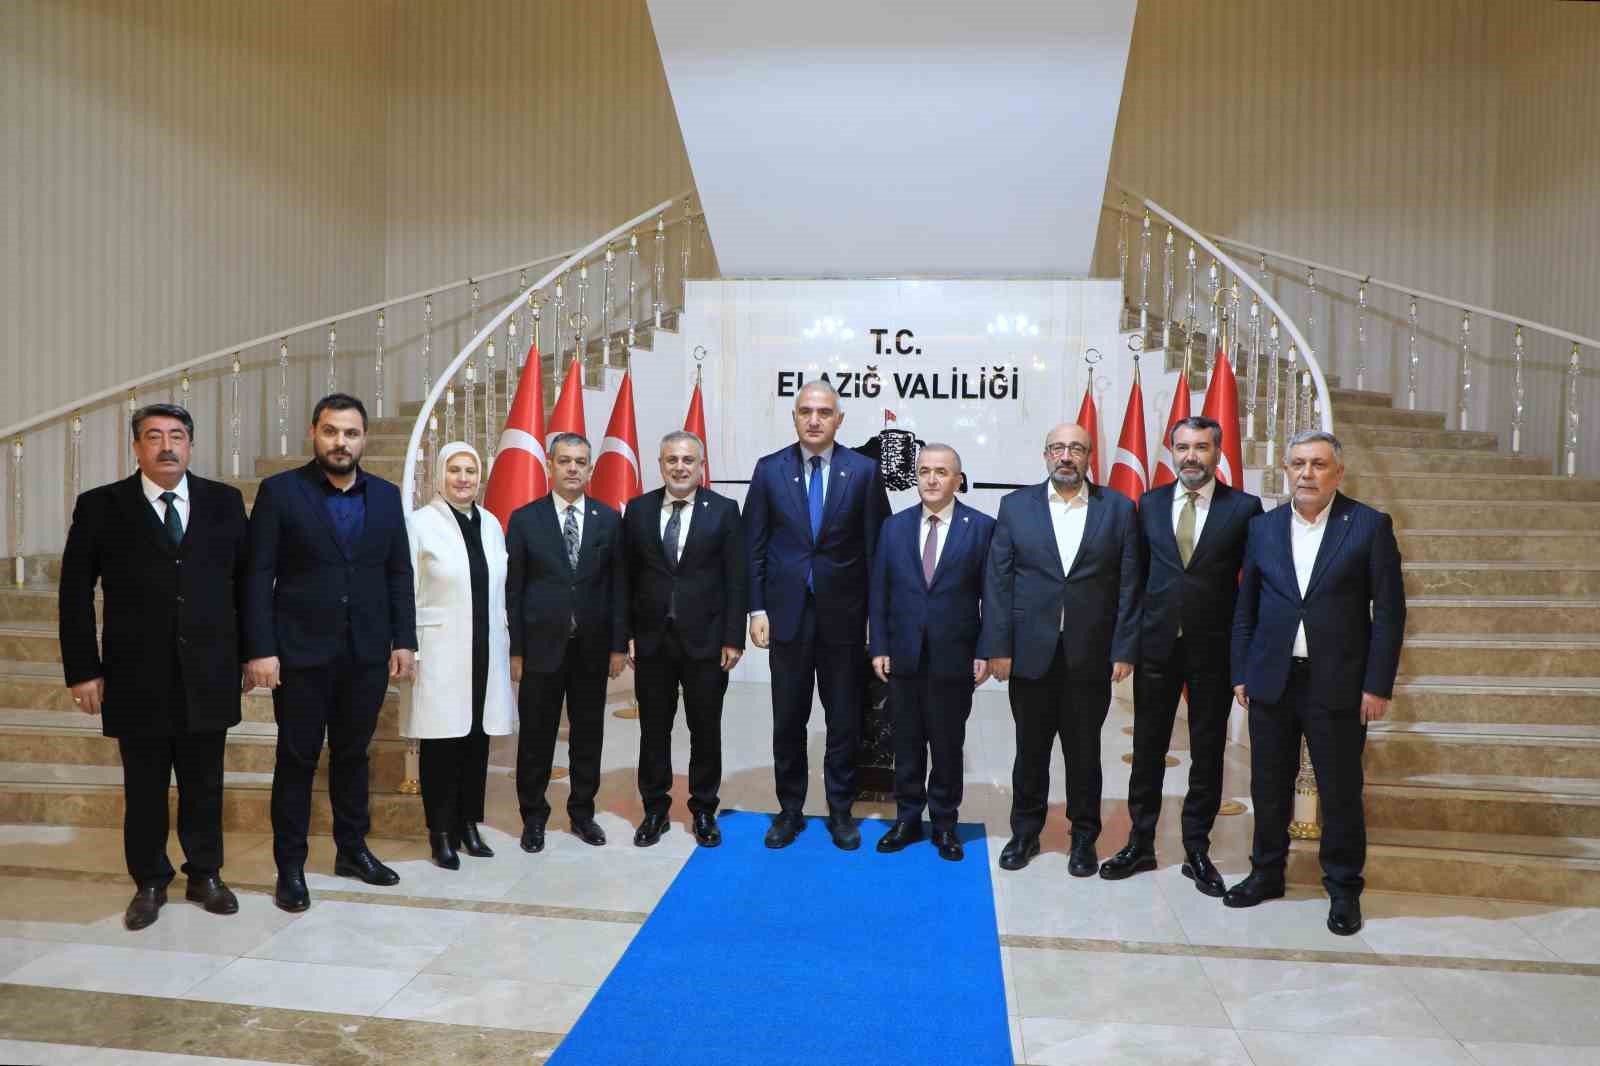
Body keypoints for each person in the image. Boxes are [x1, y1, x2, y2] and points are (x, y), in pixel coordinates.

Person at [58, 404, 247, 929]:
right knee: (144, 788)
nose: (167, 446)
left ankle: (205, 875)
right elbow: (74, 594)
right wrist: (83, 670)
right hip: (134, 675)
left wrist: (254, 653)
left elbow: (247, 584)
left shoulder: (224, 502)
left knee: (205, 783)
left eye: (177, 436)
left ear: (191, 445)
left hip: (209, 671)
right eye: (154, 436)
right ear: (136, 447)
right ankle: (149, 881)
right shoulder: (101, 506)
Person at [1227, 429, 1406, 936]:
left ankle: (1344, 888)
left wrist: (1377, 685)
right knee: (1268, 785)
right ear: (1286, 470)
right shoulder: (1263, 528)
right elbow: (1246, 608)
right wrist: (1241, 671)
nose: (1307, 473)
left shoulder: (1368, 526)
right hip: (1272, 679)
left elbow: (1389, 614)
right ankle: (1266, 873)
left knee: (1340, 790)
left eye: (1318, 464)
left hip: (1340, 683)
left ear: (1338, 473)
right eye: (1298, 464)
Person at [244, 394, 416, 912]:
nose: (341, 442)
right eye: (331, 431)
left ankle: (352, 850)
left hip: (366, 652)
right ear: (313, 433)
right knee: (296, 758)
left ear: (363, 439)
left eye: (351, 433)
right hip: (299, 653)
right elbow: (257, 575)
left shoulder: (385, 496)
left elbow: (398, 572)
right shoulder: (280, 492)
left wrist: (404, 639)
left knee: (353, 754)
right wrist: (261, 649)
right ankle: (290, 866)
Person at [1100, 416, 1262, 895]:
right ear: (1172, 452)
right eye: (1183, 447)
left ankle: (1197, 849)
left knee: (1208, 752)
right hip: (1156, 646)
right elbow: (1134, 580)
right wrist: (1125, 645)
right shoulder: (1149, 504)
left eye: (1202, 447)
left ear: (1217, 452)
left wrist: (1245, 659)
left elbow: (1252, 590)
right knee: (1148, 748)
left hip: (1214, 649)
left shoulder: (1244, 508)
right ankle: (1140, 842)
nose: (1192, 456)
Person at [981, 422, 1140, 876]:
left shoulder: (1118, 509)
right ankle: (1025, 833)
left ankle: (1084, 837)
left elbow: (1130, 585)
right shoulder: (1016, 507)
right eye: (1057, 448)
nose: (1065, 456)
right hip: (1030, 653)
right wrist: (998, 646)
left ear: (1090, 456)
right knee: (1030, 750)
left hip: (1091, 655)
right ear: (1045, 455)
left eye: (1075, 448)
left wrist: (1124, 648)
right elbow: (998, 582)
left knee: (1084, 753)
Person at [745, 380, 891, 850]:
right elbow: (754, 547)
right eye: (806, 411)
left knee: (844, 720)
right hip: (786, 616)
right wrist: (757, 607)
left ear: (839, 420)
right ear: (794, 416)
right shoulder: (769, 470)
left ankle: (840, 811)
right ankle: (790, 810)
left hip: (844, 619)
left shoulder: (863, 472)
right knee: (788, 719)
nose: (814, 419)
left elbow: (878, 551)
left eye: (824, 412)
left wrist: (876, 621)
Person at [869, 444, 995, 862]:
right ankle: (907, 819)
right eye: (924, 471)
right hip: (903, 654)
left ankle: (944, 823)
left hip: (955, 657)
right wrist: (879, 645)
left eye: (941, 472)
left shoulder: (981, 528)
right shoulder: (894, 527)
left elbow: (992, 597)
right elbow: (880, 591)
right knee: (905, 743)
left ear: (958, 479)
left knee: (946, 744)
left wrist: (985, 649)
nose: (932, 479)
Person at [622, 431, 747, 848]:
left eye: (688, 460)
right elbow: (626, 578)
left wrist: (733, 637)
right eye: (672, 460)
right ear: (660, 464)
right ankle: (655, 809)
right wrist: (627, 635)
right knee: (653, 730)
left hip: (707, 642)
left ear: (701, 466)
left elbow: (736, 578)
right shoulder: (638, 510)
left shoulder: (724, 511)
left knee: (705, 729)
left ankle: (704, 809)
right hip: (652, 642)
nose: (680, 467)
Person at [505, 432, 628, 853]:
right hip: (540, 647)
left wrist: (618, 646)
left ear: (590, 469)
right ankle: (533, 817)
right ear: (549, 466)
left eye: (580, 462)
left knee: (588, 734)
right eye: (564, 461)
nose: (572, 468)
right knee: (536, 736)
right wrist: (516, 649)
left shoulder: (608, 519)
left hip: (592, 648)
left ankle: (582, 813)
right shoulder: (525, 520)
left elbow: (618, 587)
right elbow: (514, 590)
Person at [404, 442, 515, 869]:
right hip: (439, 650)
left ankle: (469, 824)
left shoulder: (491, 523)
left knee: (477, 740)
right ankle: (441, 832)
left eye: (471, 470)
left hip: (486, 648)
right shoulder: (419, 523)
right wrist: (406, 646)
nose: (464, 478)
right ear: (440, 475)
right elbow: (406, 591)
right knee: (442, 744)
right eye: (455, 470)